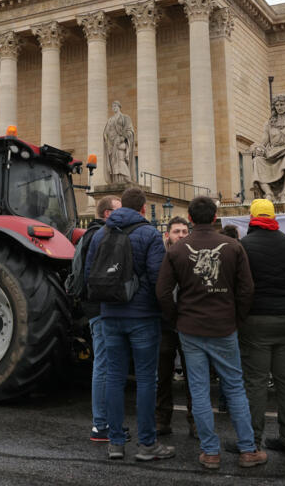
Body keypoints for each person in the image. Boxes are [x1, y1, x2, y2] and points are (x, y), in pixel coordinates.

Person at [156, 196, 266, 469]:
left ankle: (210, 452)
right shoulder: (233, 247)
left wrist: (176, 318)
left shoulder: (177, 250)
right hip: (224, 326)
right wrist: (236, 317)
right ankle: (248, 449)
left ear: (190, 219)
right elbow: (247, 289)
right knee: (234, 387)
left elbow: (162, 292)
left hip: (190, 328)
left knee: (200, 389)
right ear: (215, 216)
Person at [84, 188, 173, 461]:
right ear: (144, 209)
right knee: (147, 379)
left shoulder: (101, 234)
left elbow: (90, 275)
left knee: (114, 377)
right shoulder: (149, 234)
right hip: (143, 317)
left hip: (110, 314)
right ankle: (147, 444)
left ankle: (115, 443)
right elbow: (160, 278)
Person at [238, 199, 285, 454]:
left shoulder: (244, 245)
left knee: (256, 382)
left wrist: (242, 317)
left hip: (256, 321)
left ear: (252, 217)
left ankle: (251, 440)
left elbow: (241, 287)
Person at [72, 195, 120, 441]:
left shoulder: (88, 235)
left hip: (93, 307)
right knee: (104, 365)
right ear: (108, 214)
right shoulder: (101, 236)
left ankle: (105, 423)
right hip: (101, 308)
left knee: (105, 364)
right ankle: (100, 424)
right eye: (119, 211)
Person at [156, 216, 195, 438]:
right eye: (176, 232)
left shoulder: (193, 255)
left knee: (194, 376)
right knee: (162, 376)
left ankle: (195, 422)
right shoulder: (159, 256)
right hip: (165, 323)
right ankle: (162, 420)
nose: (180, 235)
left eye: (183, 231)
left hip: (188, 323)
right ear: (167, 235)